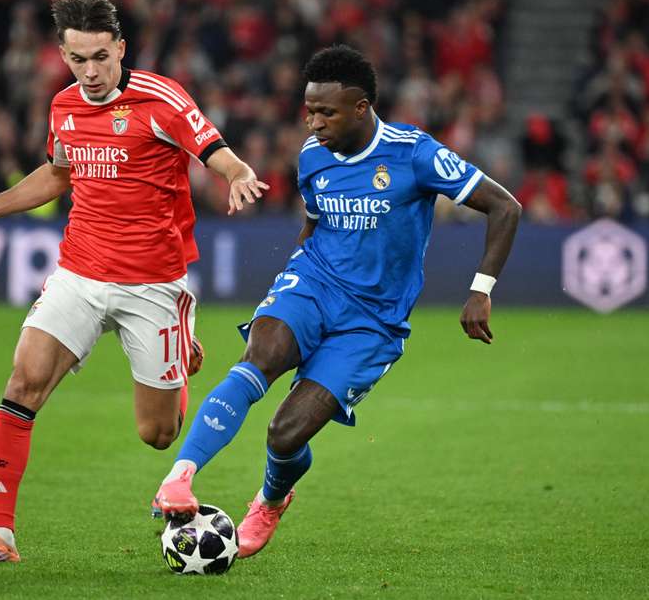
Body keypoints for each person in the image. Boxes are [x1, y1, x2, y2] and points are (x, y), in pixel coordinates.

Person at [0, 0, 268, 564]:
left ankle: (180, 342)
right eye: (76, 59)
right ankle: (0, 538)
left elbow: (213, 148)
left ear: (120, 47)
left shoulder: (160, 99)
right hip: (80, 272)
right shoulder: (63, 105)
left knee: (157, 434)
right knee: (23, 383)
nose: (89, 72)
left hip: (153, 285)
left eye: (99, 57)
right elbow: (57, 174)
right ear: (63, 55)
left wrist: (238, 173)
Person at [155, 45, 521, 557]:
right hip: (314, 283)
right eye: (310, 109)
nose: (314, 121)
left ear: (361, 108)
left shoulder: (413, 153)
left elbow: (505, 207)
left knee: (285, 435)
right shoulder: (312, 154)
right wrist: (297, 275)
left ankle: (271, 498)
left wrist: (480, 290)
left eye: (326, 111)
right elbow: (314, 218)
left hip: (374, 322)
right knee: (258, 359)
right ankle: (179, 477)